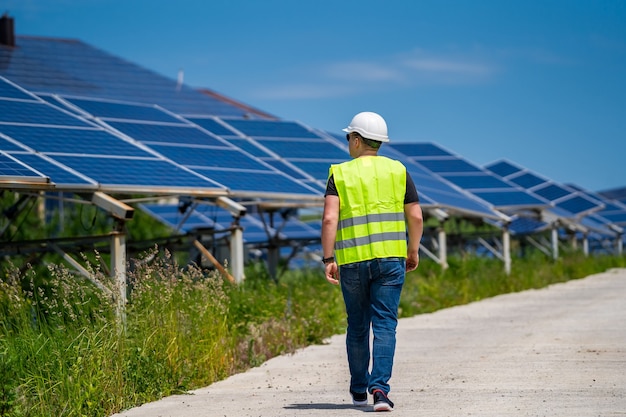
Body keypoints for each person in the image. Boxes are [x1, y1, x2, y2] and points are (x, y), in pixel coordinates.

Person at [321, 111, 423, 412]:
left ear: (355, 139)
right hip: (391, 258)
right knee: (385, 325)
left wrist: (329, 257)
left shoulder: (340, 174)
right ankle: (380, 391)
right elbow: (416, 216)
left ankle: (358, 389)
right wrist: (413, 250)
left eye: (348, 137)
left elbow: (329, 218)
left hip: (352, 261)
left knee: (357, 325)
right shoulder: (398, 171)